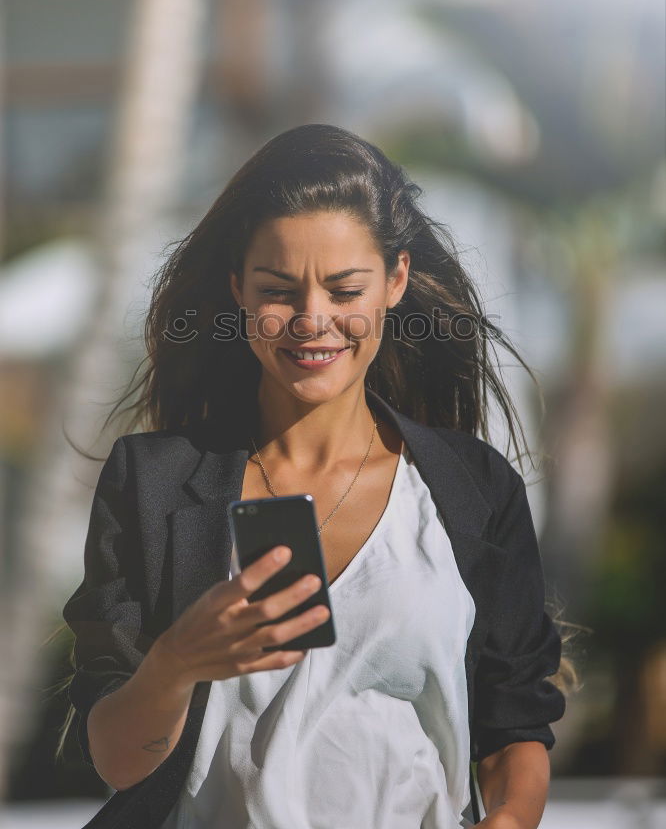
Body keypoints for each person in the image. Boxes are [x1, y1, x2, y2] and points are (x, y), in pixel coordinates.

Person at [58, 123, 577, 828]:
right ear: (238, 286)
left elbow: (514, 725)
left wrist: (509, 822)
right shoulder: (151, 483)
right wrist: (176, 662)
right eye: (278, 290)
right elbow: (119, 763)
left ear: (394, 281)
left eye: (343, 289)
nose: (311, 319)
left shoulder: (473, 489)